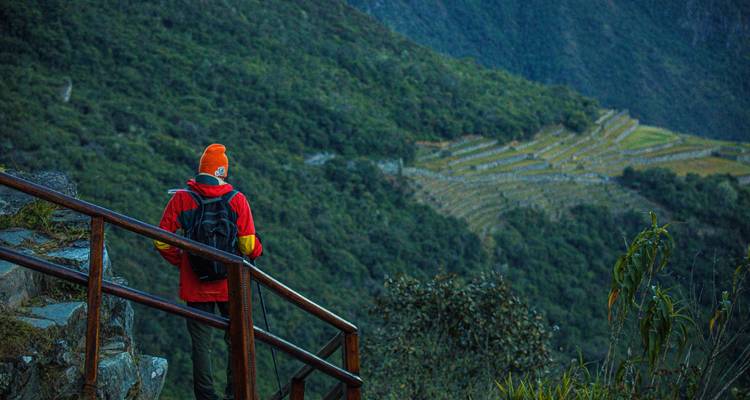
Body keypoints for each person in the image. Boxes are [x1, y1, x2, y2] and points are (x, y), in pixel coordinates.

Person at [153, 143, 263, 400]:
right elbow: (248, 245)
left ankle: (206, 397)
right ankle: (235, 393)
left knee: (201, 345)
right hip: (231, 283)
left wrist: (182, 261)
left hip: (195, 283)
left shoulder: (181, 198)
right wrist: (258, 248)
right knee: (237, 338)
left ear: (202, 170)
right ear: (223, 172)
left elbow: (161, 240)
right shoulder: (237, 200)